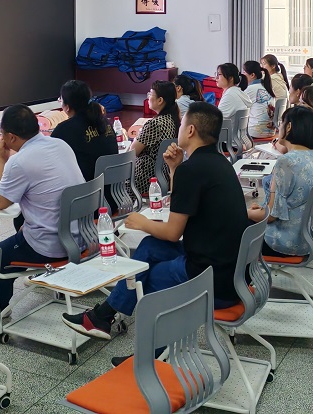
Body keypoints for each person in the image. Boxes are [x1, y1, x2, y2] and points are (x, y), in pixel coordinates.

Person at [61, 102, 249, 342]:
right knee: (150, 246)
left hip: (211, 279)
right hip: (228, 271)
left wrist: (141, 222)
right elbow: (184, 204)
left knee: (145, 277)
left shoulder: (193, 169)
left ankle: (149, 354)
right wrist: (175, 169)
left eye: (182, 124)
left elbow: (172, 232)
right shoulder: (219, 163)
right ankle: (104, 317)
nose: (179, 128)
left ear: (191, 130)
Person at [0, 105, 85, 310]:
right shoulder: (60, 144)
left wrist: (1, 159)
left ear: (11, 137)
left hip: (52, 246)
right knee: (21, 228)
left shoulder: (19, 162)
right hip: (82, 237)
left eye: (1, 133)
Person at [249, 106, 313, 257]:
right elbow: (290, 203)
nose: (279, 127)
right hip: (308, 238)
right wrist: (261, 210)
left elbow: (271, 217)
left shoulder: (285, 162)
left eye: (281, 123)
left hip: (281, 241)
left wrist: (246, 213)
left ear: (289, 126)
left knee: (233, 228)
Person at [51, 80, 118, 181]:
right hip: (113, 185)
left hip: (87, 187)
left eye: (61, 99)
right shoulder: (104, 121)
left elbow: (50, 159)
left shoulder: (63, 129)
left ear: (67, 107)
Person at [130, 81, 179, 194]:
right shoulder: (172, 119)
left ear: (160, 100)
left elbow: (132, 152)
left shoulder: (154, 124)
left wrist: (139, 135)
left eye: (150, 94)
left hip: (145, 179)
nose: (148, 97)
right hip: (163, 176)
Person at [241, 60, 276, 140]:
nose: (242, 75)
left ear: (252, 75)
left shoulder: (250, 89)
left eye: (244, 72)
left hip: (255, 132)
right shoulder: (267, 86)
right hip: (271, 131)